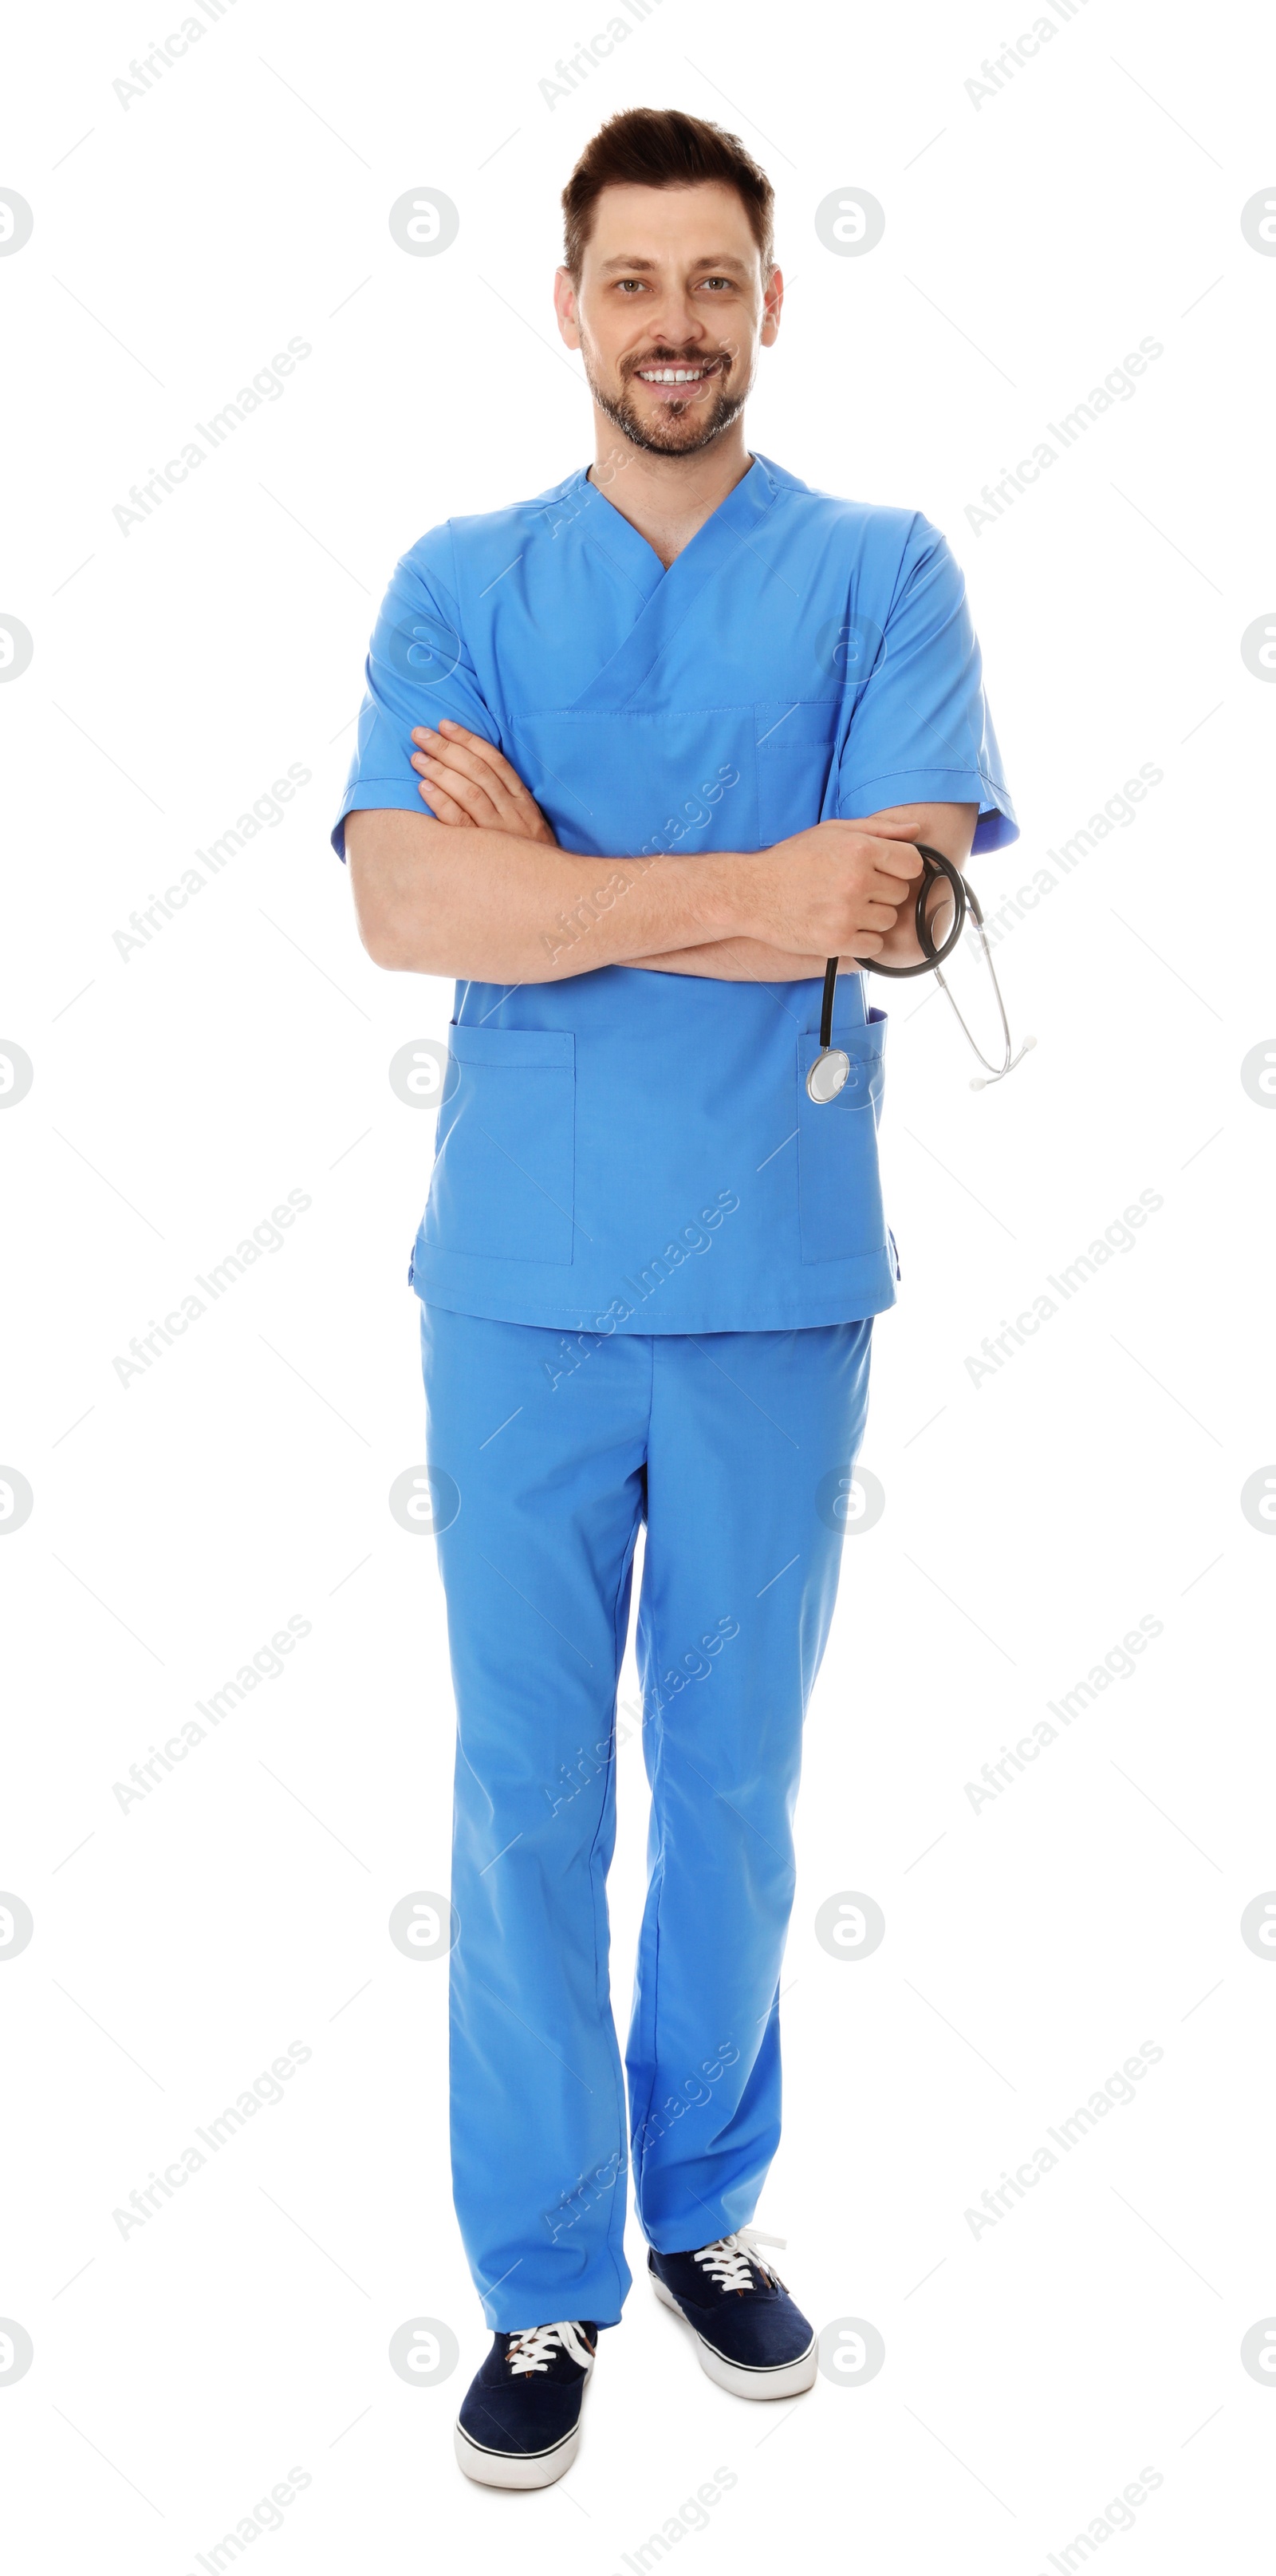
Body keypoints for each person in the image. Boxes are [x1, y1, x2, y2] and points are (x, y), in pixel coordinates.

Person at [333, 106, 1018, 2490]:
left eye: (715, 282)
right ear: (568, 308)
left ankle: (702, 2215)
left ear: (771, 306)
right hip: (516, 1292)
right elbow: (411, 914)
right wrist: (755, 890)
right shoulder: (456, 582)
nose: (675, 325)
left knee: (728, 1795)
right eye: (633, 282)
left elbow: (910, 908)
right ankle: (540, 2281)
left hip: (775, 1298)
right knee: (529, 1800)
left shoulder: (879, 572)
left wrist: (581, 878)